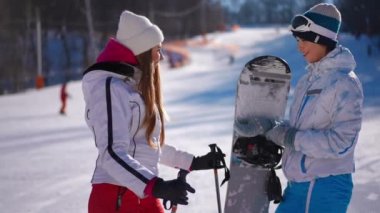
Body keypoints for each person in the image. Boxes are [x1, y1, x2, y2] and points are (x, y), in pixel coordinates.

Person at [82, 11, 225, 213]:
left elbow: (146, 145)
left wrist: (193, 162)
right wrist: (156, 186)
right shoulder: (110, 88)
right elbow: (112, 153)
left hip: (144, 194)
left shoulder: (131, 88)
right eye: (157, 50)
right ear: (142, 50)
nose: (162, 56)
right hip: (116, 196)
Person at [242, 3, 363, 213]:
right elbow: (300, 127)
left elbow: (342, 143)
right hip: (298, 187)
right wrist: (271, 127)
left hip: (326, 186)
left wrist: (290, 138)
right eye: (297, 40)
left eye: (304, 39)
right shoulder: (308, 80)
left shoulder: (345, 83)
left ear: (321, 38)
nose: (299, 46)